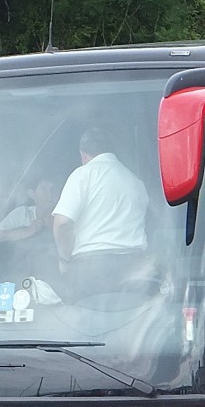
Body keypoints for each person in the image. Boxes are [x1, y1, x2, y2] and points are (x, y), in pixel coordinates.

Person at [52, 126, 149, 302]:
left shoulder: (83, 174)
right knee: (128, 323)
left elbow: (62, 223)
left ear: (83, 153)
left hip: (92, 269)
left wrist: (64, 259)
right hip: (134, 267)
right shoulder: (136, 182)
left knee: (90, 326)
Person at [0, 176, 62, 287]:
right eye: (44, 189)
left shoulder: (62, 219)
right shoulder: (22, 214)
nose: (49, 194)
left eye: (52, 190)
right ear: (32, 194)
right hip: (18, 278)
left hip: (50, 281)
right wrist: (27, 231)